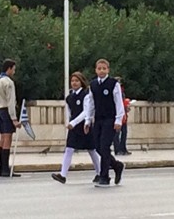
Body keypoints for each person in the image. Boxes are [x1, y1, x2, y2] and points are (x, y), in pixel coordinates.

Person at [51, 71, 101, 184]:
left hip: (84, 126)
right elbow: (69, 112)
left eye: (77, 81)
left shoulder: (86, 95)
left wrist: (74, 122)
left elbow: (86, 111)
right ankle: (63, 175)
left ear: (81, 82)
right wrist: (69, 122)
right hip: (74, 128)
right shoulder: (69, 97)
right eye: (72, 81)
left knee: (92, 150)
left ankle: (99, 172)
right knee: (69, 149)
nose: (74, 83)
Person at [84, 58, 125, 187]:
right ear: (96, 70)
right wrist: (87, 120)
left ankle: (104, 176)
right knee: (98, 146)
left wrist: (119, 120)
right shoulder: (94, 85)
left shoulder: (113, 84)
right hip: (98, 119)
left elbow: (119, 103)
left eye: (104, 68)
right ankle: (116, 165)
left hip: (110, 118)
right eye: (99, 68)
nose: (101, 71)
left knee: (105, 146)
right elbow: (90, 104)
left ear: (108, 70)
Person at [0, 59, 21, 177]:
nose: (14, 71)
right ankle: (5, 168)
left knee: (3, 138)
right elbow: (10, 101)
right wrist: (14, 119)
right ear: (9, 68)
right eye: (13, 69)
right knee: (7, 139)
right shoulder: (8, 82)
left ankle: (2, 167)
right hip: (6, 110)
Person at [113, 76, 131, 156]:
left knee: (124, 132)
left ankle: (123, 148)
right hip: (117, 114)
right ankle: (117, 149)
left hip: (123, 114)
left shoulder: (121, 91)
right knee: (117, 133)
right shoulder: (114, 91)